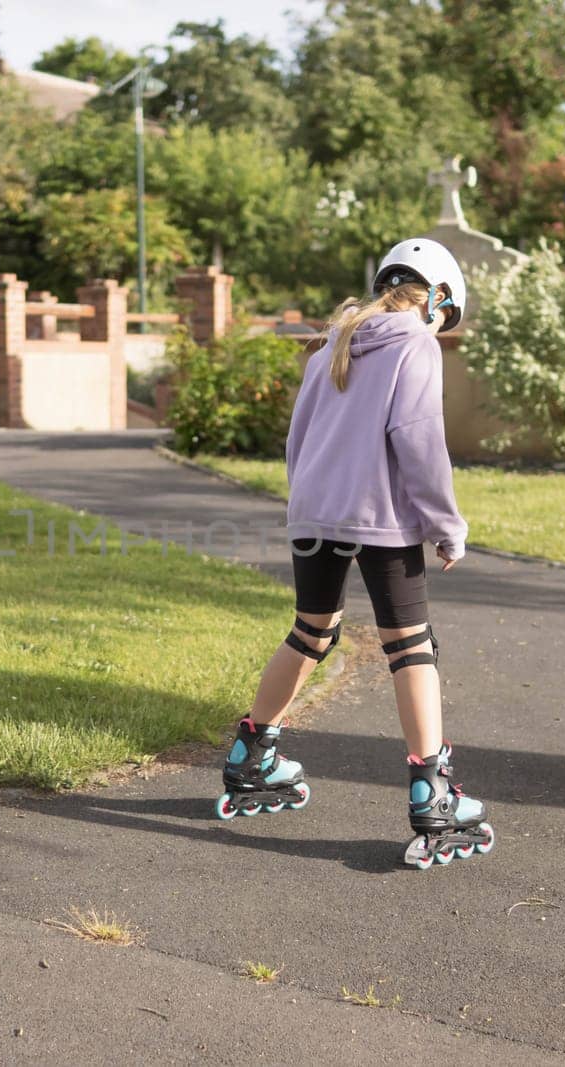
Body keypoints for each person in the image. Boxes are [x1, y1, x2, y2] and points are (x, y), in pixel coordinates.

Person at [213, 238, 494, 869]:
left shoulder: (333, 342)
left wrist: (306, 503)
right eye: (444, 320)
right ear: (438, 298)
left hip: (314, 509)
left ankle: (252, 754)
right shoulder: (415, 343)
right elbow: (419, 441)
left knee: (311, 631)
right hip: (382, 518)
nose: (440, 331)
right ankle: (434, 794)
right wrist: (447, 525)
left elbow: (299, 437)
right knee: (410, 644)